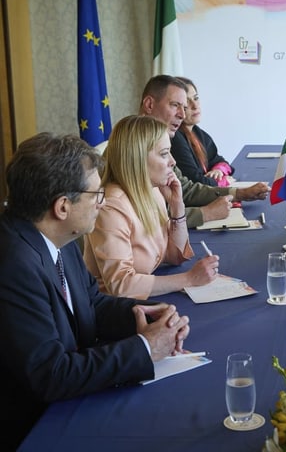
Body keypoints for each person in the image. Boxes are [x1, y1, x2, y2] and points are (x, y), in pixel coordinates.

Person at [0, 133, 191, 449]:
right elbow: (52, 373)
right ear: (63, 206)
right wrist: (144, 348)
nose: (102, 201)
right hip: (37, 427)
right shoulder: (14, 265)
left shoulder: (58, 235)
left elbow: (91, 303)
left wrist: (144, 314)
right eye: (96, 193)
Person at [84, 115, 220, 299]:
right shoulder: (111, 206)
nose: (173, 161)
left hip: (149, 293)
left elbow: (175, 256)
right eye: (164, 154)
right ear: (137, 158)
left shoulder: (153, 190)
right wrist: (189, 279)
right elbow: (120, 285)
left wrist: (177, 206)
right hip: (115, 309)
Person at [139, 75, 270, 228]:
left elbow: (187, 190)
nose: (182, 114)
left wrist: (239, 193)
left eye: (184, 107)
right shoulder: (132, 147)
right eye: (175, 105)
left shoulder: (160, 141)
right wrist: (206, 213)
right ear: (149, 105)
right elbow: (149, 216)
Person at [171, 76, 234, 187]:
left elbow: (221, 161)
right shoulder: (175, 138)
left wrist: (218, 171)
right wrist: (223, 182)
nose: (195, 106)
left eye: (196, 98)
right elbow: (195, 181)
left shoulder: (196, 132)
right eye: (186, 102)